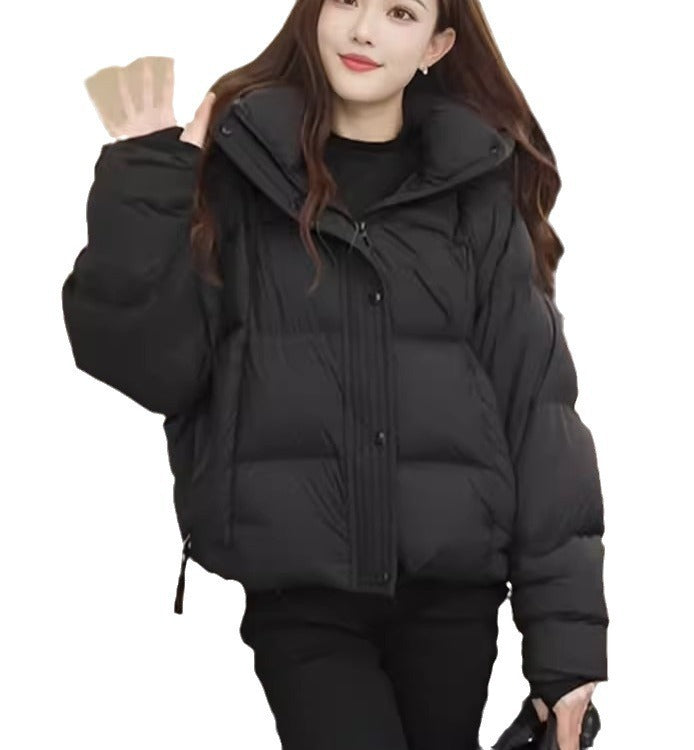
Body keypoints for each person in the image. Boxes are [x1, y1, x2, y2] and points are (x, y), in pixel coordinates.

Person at [61, 2, 609, 749]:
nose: (363, 29)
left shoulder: (475, 189)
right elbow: (150, 367)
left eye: (400, 11)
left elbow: (539, 414)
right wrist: (148, 175)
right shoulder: (242, 171)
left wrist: (565, 652)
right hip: (302, 596)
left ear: (437, 45)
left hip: (452, 597)